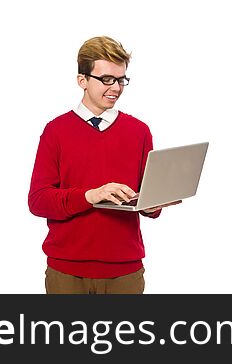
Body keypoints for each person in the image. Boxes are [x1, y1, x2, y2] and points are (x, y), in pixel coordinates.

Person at [28, 36, 176, 294]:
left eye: (121, 80)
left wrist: (153, 205)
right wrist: (91, 195)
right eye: (107, 79)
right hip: (67, 272)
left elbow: (147, 204)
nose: (116, 88)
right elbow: (38, 201)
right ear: (82, 80)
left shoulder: (139, 132)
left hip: (125, 271)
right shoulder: (56, 131)